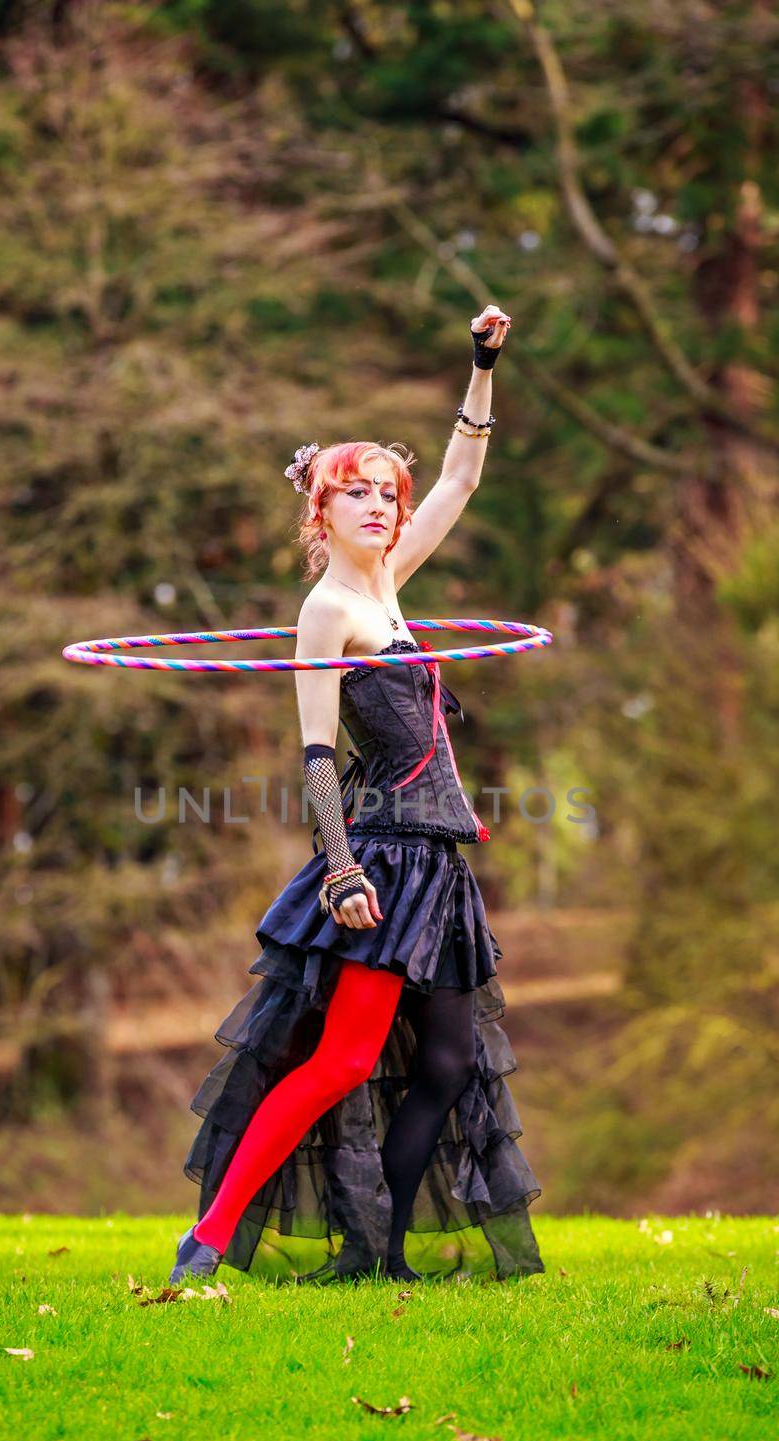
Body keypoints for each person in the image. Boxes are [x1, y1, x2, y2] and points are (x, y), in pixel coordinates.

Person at [169, 303, 544, 1285]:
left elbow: (461, 475)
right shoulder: (328, 609)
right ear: (320, 513)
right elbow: (316, 757)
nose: (379, 506)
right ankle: (209, 1232)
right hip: (381, 862)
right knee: (339, 1061)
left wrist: (480, 364)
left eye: (386, 492)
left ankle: (372, 1250)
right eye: (357, 494)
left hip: (440, 862)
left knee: (449, 1064)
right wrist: (338, 874)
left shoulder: (391, 586)